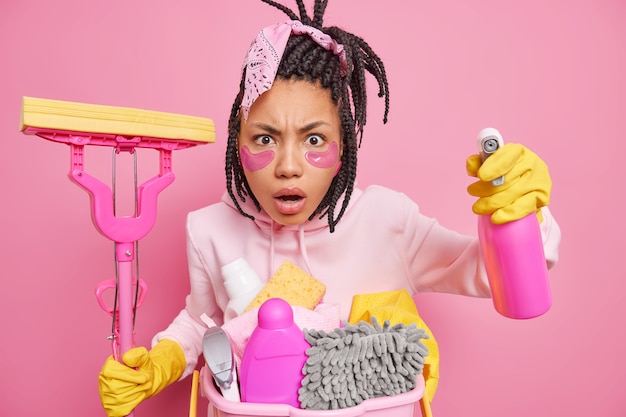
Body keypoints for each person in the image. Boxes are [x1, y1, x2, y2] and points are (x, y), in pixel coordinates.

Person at [97, 1, 561, 416]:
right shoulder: (209, 228)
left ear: (343, 147)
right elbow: (205, 324)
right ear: (236, 144)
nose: (288, 167)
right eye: (264, 138)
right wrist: (164, 361)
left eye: (314, 139)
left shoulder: (385, 220)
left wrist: (521, 214)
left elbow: (489, 272)